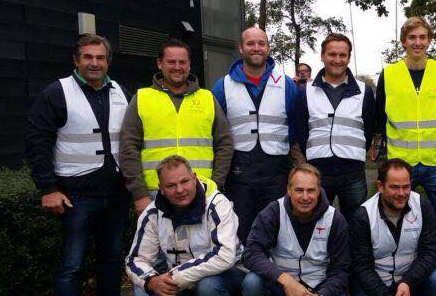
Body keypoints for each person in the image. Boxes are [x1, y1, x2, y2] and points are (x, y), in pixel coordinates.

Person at [25, 34, 130, 296]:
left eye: (100, 58)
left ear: (107, 61)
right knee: (71, 267)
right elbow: (37, 141)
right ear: (76, 60)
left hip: (115, 194)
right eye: (87, 57)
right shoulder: (57, 93)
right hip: (75, 196)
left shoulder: (121, 93)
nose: (94, 63)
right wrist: (47, 188)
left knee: (113, 262)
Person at [110, 156, 244, 296]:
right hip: (184, 286)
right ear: (161, 189)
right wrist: (153, 282)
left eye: (184, 182)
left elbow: (224, 254)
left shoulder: (217, 203)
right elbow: (136, 259)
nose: (180, 190)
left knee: (208, 285)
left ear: (194, 177)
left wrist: (172, 278)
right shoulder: (152, 213)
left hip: (229, 280)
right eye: (171, 185)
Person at [374, 16, 436, 296]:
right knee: (395, 224)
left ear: (429, 40)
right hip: (402, 165)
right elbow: (378, 116)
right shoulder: (389, 74)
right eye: (412, 37)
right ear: (403, 41)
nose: (417, 42)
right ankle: (396, 282)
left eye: (423, 37)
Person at [242, 164, 350, 296]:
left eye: (311, 190)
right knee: (252, 282)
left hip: (319, 287)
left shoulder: (335, 219)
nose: (305, 197)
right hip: (282, 288)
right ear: (288, 190)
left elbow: (342, 271)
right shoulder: (273, 211)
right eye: (299, 190)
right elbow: (251, 252)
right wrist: (285, 280)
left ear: (319, 190)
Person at [120, 38, 233, 215]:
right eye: (171, 62)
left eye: (182, 62)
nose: (177, 67)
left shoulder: (207, 98)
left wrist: (216, 184)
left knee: (204, 243)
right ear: (160, 63)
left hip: (201, 191)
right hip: (155, 194)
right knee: (158, 243)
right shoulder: (142, 98)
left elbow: (225, 143)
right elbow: (128, 149)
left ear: (189, 64)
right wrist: (139, 194)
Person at [348, 158, 436, 296]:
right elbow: (360, 267)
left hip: (410, 279)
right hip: (374, 281)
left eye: (406, 186)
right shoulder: (363, 216)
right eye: (394, 187)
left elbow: (432, 250)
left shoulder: (422, 205)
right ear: (380, 186)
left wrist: (408, 283)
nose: (401, 193)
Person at [212, 27, 298, 242]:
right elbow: (214, 130)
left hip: (276, 169)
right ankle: (242, 271)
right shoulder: (223, 86)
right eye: (250, 43)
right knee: (241, 228)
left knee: (276, 227)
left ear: (268, 48)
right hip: (240, 171)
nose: (256, 48)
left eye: (261, 43)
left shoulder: (286, 84)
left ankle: (275, 273)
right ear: (241, 48)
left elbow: (296, 126)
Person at [294, 33, 375, 222]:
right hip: (318, 169)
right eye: (332, 54)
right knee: (316, 222)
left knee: (356, 222)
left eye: (342, 55)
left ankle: (353, 253)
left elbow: (369, 127)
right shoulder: (306, 91)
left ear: (348, 57)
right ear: (322, 56)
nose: (337, 60)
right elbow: (301, 128)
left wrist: (356, 151)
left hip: (352, 169)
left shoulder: (364, 91)